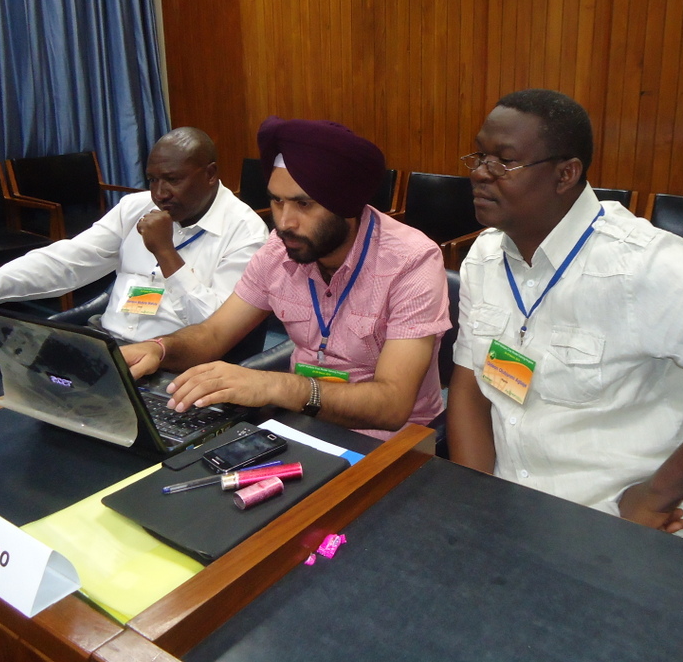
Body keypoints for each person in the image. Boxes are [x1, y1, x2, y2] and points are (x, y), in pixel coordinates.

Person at [447, 89, 683, 547]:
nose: (479, 173)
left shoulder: (639, 264)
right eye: (480, 156)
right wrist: (475, 501)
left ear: (565, 174)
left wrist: (655, 497)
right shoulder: (486, 256)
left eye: (504, 162)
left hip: (621, 520)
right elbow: (470, 387)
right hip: (517, 508)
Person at [123, 116, 451, 440]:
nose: (284, 222)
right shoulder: (278, 250)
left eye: (303, 204)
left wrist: (276, 386)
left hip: (390, 443)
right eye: (277, 201)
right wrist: (159, 349)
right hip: (302, 423)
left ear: (346, 205)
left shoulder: (412, 261)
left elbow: (392, 406)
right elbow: (213, 334)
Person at [0, 127, 269, 343]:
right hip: (107, 348)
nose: (159, 194)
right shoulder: (135, 208)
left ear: (210, 174)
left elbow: (217, 330)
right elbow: (66, 262)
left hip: (176, 364)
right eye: (152, 180)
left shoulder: (244, 231)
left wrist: (166, 254)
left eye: (172, 180)